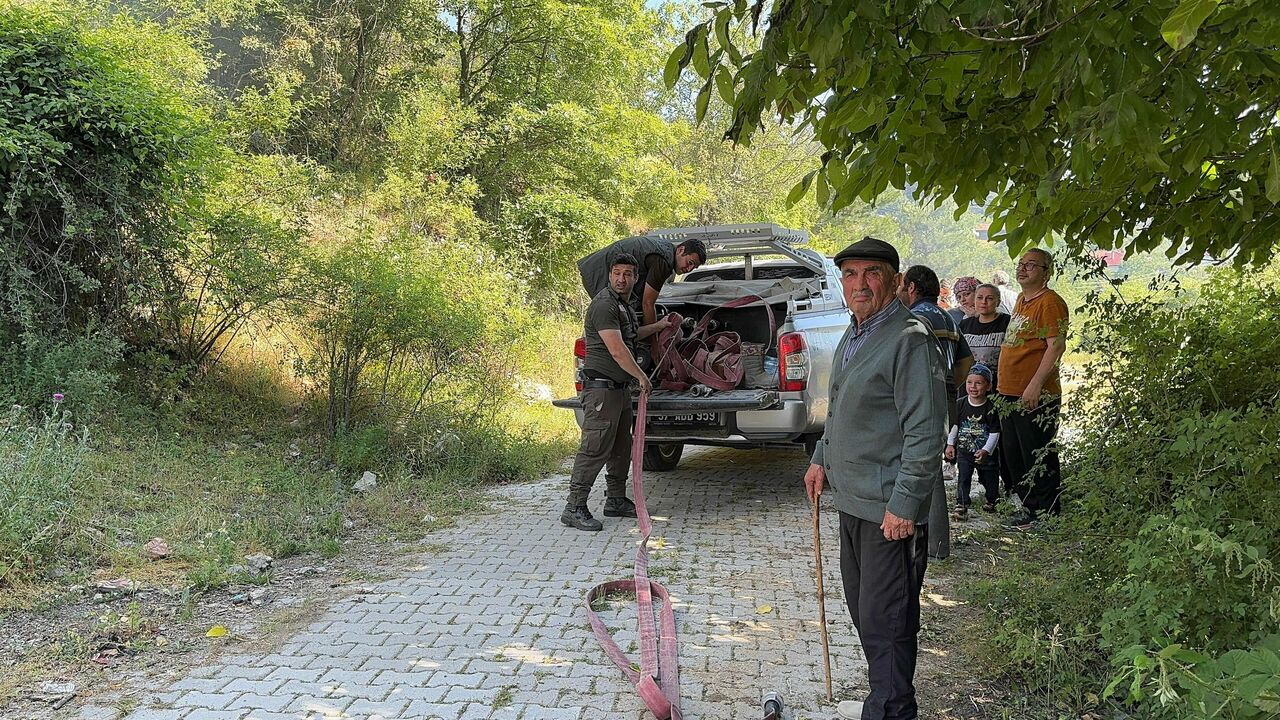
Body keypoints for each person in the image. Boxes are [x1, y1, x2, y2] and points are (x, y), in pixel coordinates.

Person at [803, 237, 946, 720]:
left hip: (888, 512)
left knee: (888, 622)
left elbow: (926, 431)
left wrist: (905, 505)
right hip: (853, 501)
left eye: (872, 273)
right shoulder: (856, 331)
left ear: (896, 281)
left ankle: (890, 710)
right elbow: (840, 406)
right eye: (850, 274)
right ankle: (885, 699)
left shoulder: (910, 339)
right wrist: (821, 457)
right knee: (867, 615)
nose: (859, 284)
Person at [562, 253, 679, 532]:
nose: (621, 279)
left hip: (619, 390)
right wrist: (641, 377)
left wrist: (659, 326)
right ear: (610, 275)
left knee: (620, 448)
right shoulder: (604, 304)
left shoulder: (623, 305)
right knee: (595, 449)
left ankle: (615, 500)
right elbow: (617, 349)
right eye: (617, 273)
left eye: (627, 274)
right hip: (601, 391)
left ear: (636, 278)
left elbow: (631, 336)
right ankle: (574, 507)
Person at [896, 265, 974, 559]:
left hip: (919, 402)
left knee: (920, 468)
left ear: (912, 287)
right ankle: (935, 543)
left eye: (902, 286)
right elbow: (966, 361)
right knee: (932, 465)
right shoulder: (948, 318)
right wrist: (950, 386)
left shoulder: (913, 319)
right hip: (944, 400)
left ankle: (931, 544)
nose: (899, 291)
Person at [997, 249, 1069, 530]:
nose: (1023, 268)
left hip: (1034, 394)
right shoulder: (1021, 300)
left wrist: (1035, 385)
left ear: (1046, 272)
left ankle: (1047, 514)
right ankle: (1030, 510)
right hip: (1009, 392)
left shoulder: (1050, 302)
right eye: (1021, 263)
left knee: (1038, 453)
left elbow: (1056, 346)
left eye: (1031, 265)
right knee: (1015, 454)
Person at [576, 236, 707, 327]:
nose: (689, 269)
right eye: (690, 262)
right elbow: (648, 303)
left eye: (693, 267)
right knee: (614, 319)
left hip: (597, 268)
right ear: (681, 250)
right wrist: (653, 344)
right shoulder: (663, 261)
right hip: (598, 272)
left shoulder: (666, 250)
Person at [945, 364, 1001, 520]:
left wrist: (986, 450)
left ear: (988, 386)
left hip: (986, 453)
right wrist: (950, 444)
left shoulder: (991, 407)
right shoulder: (960, 404)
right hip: (964, 451)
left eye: (978, 383)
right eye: (969, 382)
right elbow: (955, 426)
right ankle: (961, 504)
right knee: (963, 478)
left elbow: (995, 432)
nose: (973, 387)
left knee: (989, 478)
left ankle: (992, 500)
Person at [960, 284, 1011, 391]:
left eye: (990, 298)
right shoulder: (965, 324)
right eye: (979, 297)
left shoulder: (1007, 322)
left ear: (998, 302)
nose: (984, 302)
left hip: (998, 386)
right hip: (970, 387)